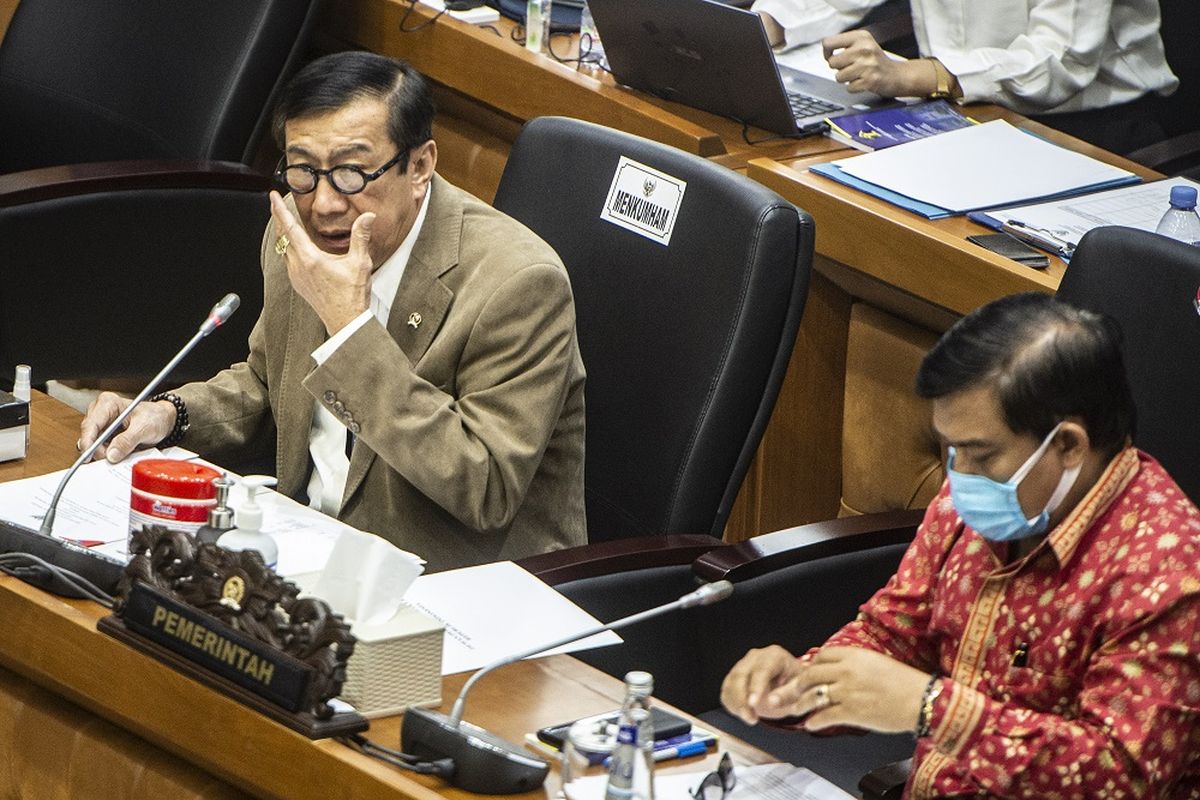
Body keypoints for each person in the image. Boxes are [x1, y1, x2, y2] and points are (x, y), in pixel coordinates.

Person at [79, 52, 587, 572]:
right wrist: (170, 415)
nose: (322, 204)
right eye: (303, 171)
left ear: (420, 166)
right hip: (306, 550)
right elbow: (267, 381)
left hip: (455, 588)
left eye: (350, 173)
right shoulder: (296, 237)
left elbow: (484, 488)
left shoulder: (518, 284)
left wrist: (350, 330)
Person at [721, 292, 1200, 796]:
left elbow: (1117, 777)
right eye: (950, 449)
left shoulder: (1170, 574)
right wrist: (802, 686)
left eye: (979, 454)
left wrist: (931, 709)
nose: (958, 476)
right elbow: (894, 633)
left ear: (1068, 446)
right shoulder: (976, 501)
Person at [753, 0, 1178, 154]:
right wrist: (769, 22)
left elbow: (1060, 57)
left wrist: (922, 74)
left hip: (1084, 126)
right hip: (952, 106)